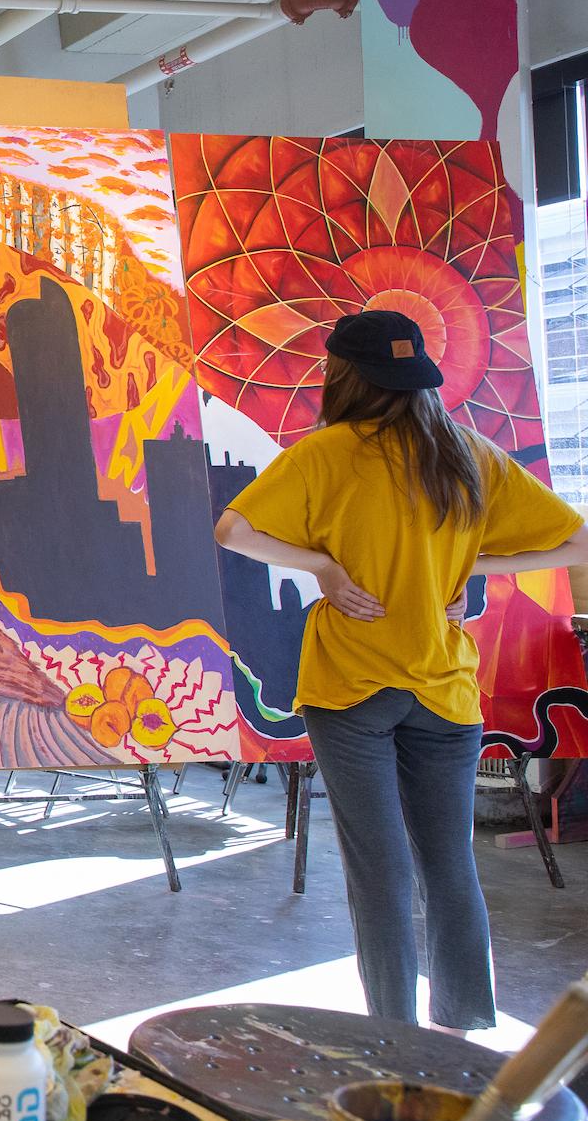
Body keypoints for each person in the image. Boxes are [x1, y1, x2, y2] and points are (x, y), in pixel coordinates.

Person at [216, 310, 588, 1030]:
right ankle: (465, 1026)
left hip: (350, 685)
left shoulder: (324, 454)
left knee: (379, 871)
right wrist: (469, 562)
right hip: (444, 688)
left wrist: (323, 566)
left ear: (344, 376)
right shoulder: (467, 454)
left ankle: (393, 1035)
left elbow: (234, 530)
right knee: (449, 865)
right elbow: (576, 540)